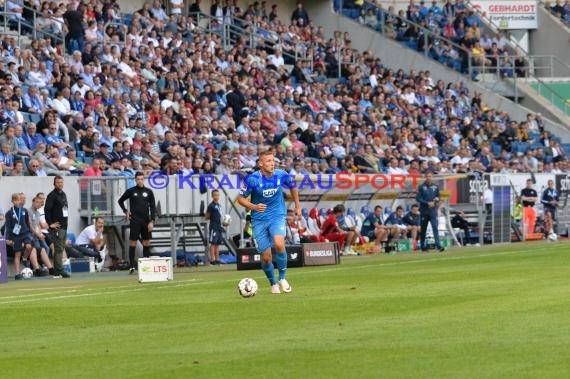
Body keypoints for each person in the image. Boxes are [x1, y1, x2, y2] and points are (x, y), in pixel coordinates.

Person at [237, 150, 301, 294]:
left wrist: (297, 206)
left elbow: (293, 186)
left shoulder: (281, 174)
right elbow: (240, 199)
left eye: (273, 161)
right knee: (266, 258)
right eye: (268, 161)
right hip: (258, 220)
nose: (272, 164)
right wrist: (254, 206)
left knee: (279, 243)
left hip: (276, 215)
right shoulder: (252, 179)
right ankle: (273, 283)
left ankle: (282, 278)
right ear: (260, 164)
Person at [118, 172, 157, 274]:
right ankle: (132, 266)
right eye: (138, 179)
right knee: (133, 242)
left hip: (146, 221)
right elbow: (120, 201)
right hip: (135, 220)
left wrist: (152, 221)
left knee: (146, 242)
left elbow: (153, 207)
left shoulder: (149, 191)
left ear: (144, 180)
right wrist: (126, 211)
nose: (140, 181)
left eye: (141, 179)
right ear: (135, 180)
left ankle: (146, 265)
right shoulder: (131, 191)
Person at [4, 193, 45, 279]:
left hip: (25, 233)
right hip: (16, 235)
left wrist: (30, 233)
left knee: (29, 247)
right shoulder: (9, 213)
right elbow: (8, 227)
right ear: (12, 201)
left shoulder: (24, 211)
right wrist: (8, 238)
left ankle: (25, 257)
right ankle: (17, 274)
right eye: (15, 200)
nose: (17, 201)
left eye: (19, 200)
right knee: (17, 254)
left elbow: (27, 223)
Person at [45, 175, 71, 278]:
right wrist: (50, 224)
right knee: (59, 248)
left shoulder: (63, 194)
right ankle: (59, 271)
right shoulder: (52, 195)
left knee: (61, 248)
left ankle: (58, 270)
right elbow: (47, 210)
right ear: (54, 184)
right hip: (57, 227)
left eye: (61, 182)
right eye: (58, 182)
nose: (60, 184)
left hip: (64, 225)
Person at [416, 172, 444, 252]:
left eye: (430, 176)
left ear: (432, 177)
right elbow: (418, 198)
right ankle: (422, 246)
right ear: (425, 177)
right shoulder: (422, 187)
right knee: (423, 229)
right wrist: (427, 203)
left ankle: (438, 246)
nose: (429, 178)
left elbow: (438, 196)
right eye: (427, 176)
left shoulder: (435, 187)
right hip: (424, 211)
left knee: (435, 227)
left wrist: (436, 200)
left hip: (433, 211)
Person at [205, 189, 224, 265]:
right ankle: (212, 259)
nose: (217, 196)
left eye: (218, 195)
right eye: (215, 195)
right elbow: (207, 217)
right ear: (212, 196)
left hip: (219, 226)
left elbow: (221, 216)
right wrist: (209, 216)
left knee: (218, 243)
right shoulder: (211, 206)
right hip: (214, 227)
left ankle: (217, 258)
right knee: (213, 243)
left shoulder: (219, 206)